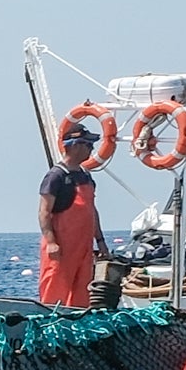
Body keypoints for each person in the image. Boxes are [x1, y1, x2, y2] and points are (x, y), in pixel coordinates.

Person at [37, 122, 106, 307]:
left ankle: (77, 330)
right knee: (54, 294)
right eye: (88, 145)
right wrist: (51, 242)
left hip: (84, 249)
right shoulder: (56, 176)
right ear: (74, 145)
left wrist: (100, 241)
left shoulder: (86, 176)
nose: (92, 149)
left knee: (82, 297)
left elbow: (92, 211)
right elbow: (44, 212)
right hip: (61, 249)